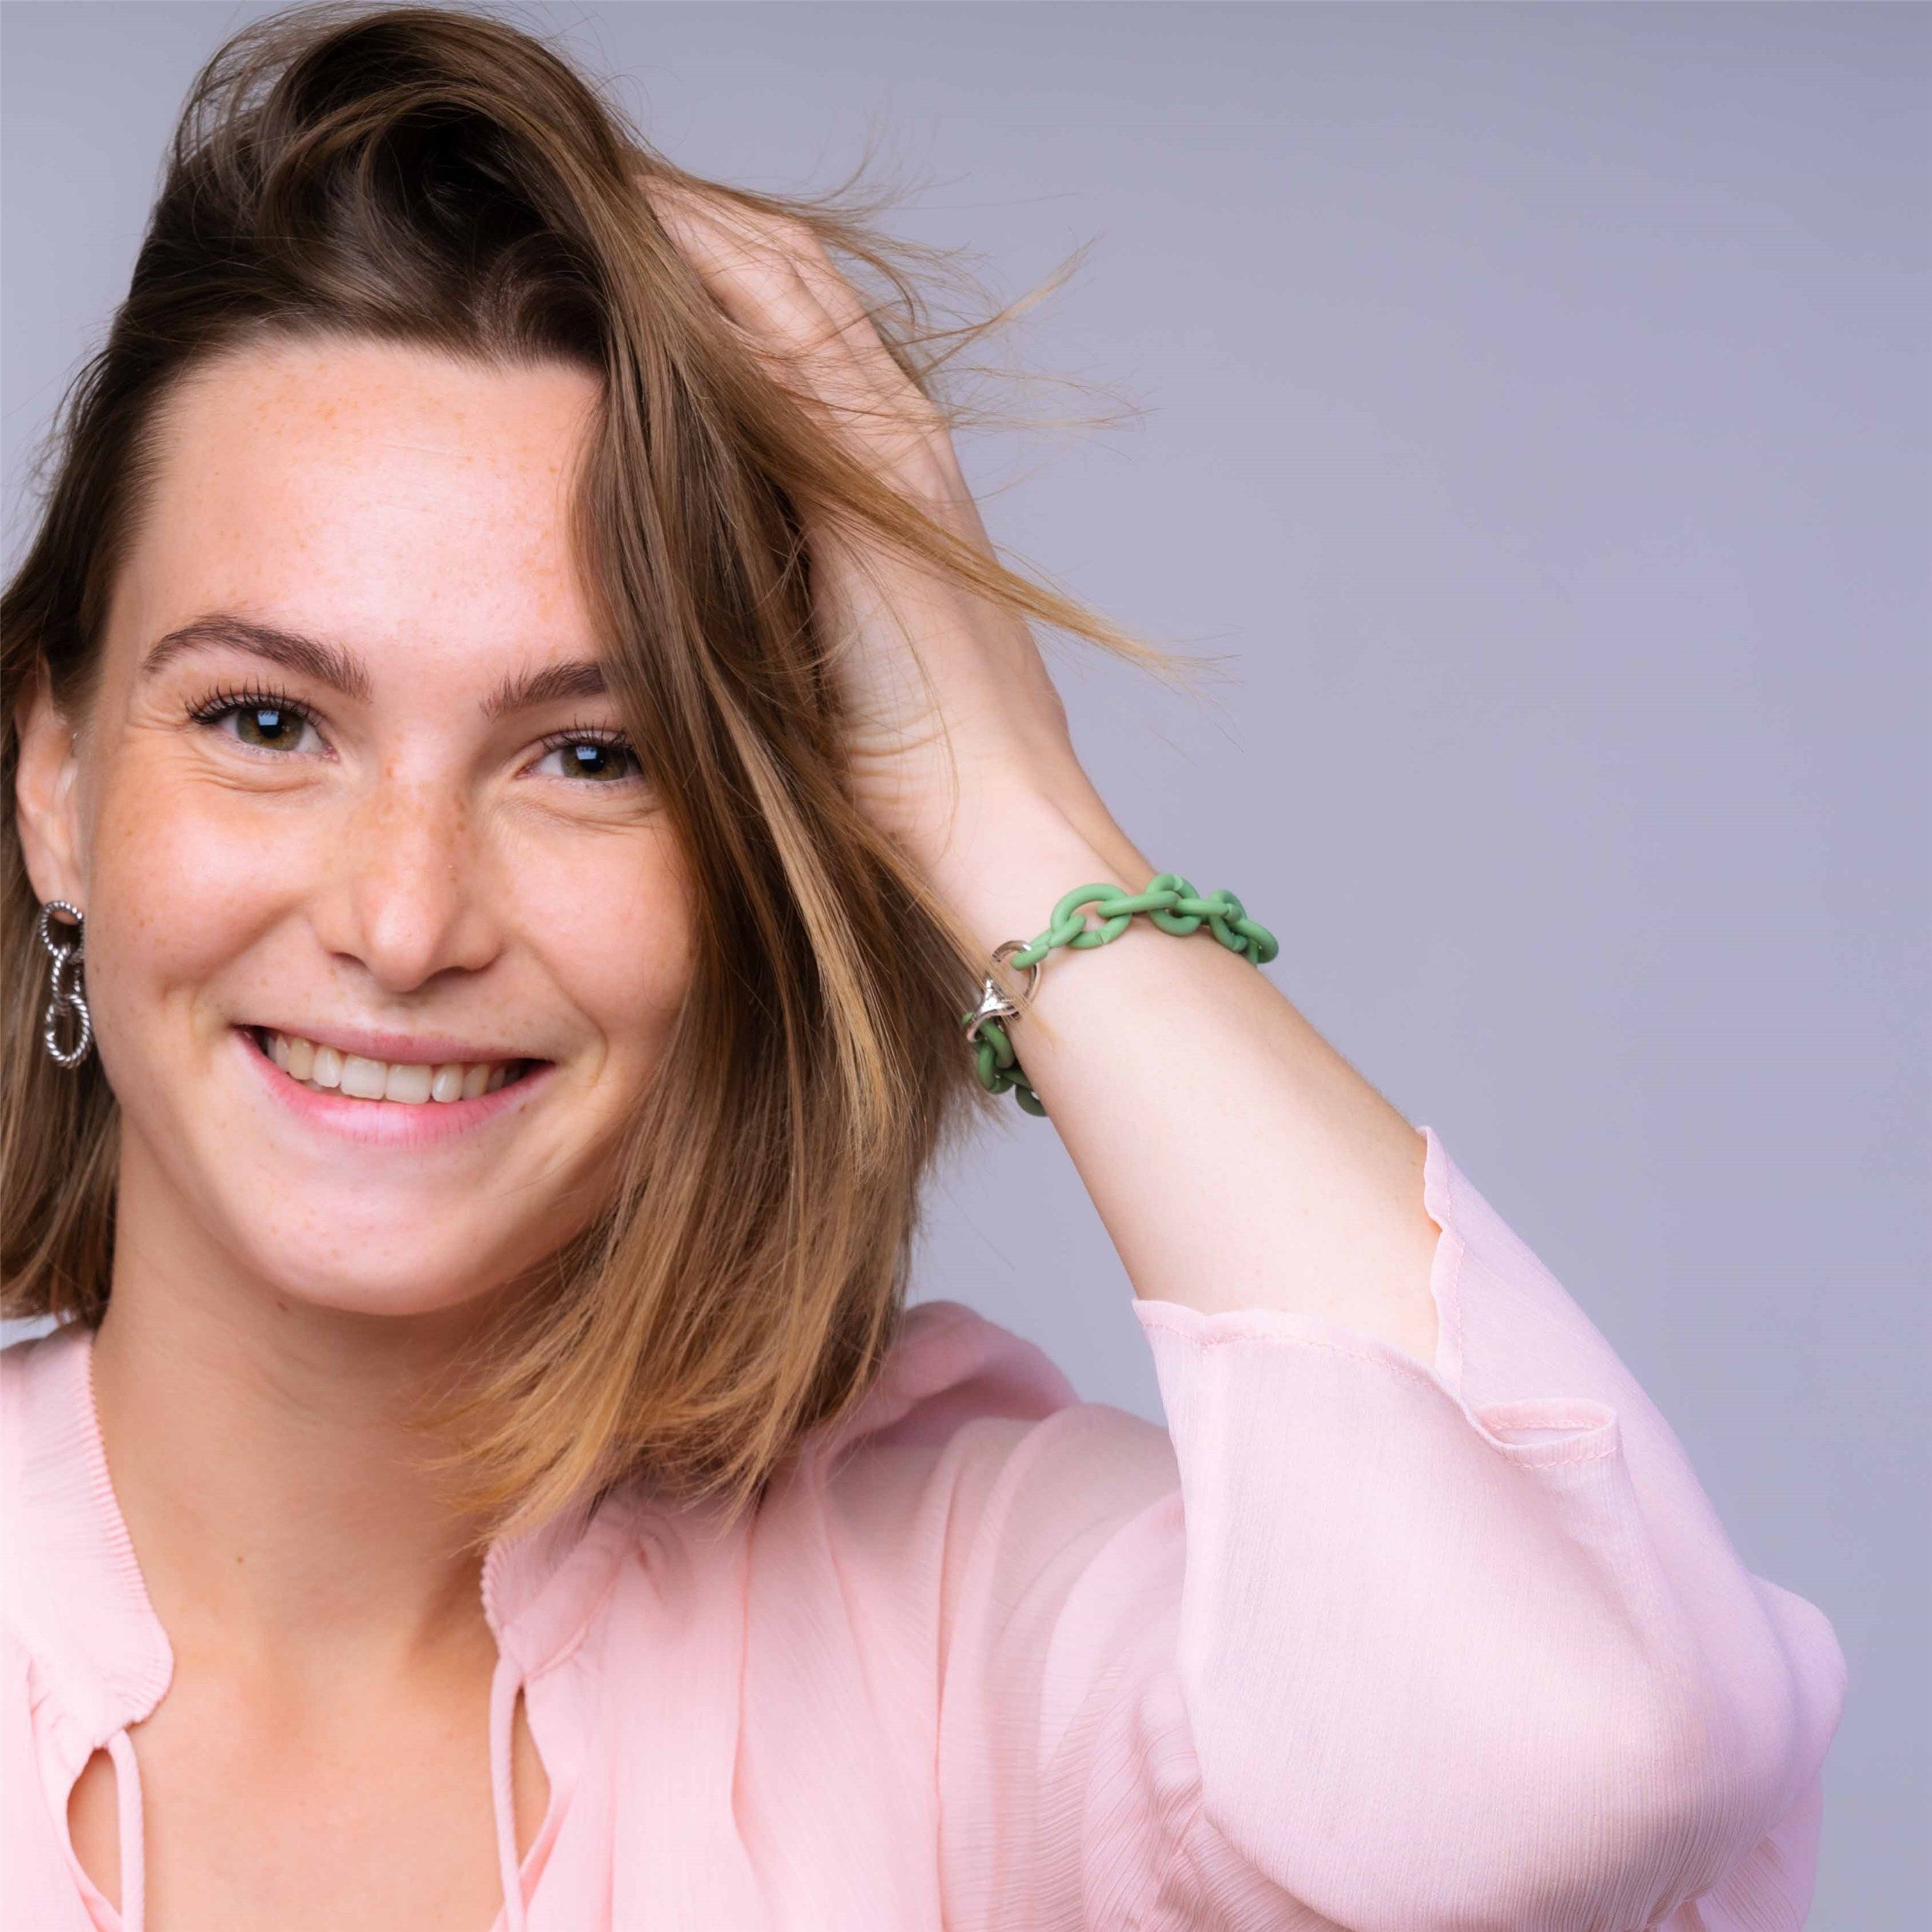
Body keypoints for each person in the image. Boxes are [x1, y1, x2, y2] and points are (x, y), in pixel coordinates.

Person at [1, 8, 1846, 1930]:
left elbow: (1577, 1762)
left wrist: (1004, 801)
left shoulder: (960, 1617)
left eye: (592, 754)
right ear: (56, 780)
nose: (401, 918)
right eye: (265, 720)